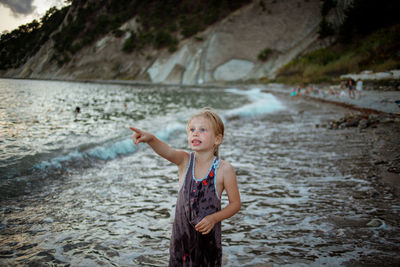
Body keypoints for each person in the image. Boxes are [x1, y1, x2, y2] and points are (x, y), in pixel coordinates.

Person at [129, 108, 241, 266]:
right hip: (180, 243)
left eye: (202, 130)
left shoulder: (224, 169)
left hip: (208, 246)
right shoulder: (184, 161)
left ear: (217, 139)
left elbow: (235, 204)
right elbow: (166, 151)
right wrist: (150, 139)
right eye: (192, 130)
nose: (195, 133)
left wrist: (213, 218)